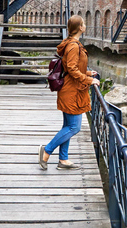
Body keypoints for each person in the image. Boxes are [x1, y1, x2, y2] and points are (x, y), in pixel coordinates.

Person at [39, 15, 99, 170]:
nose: (85, 25)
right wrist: (89, 80)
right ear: (80, 27)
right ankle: (47, 150)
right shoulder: (73, 46)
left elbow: (71, 66)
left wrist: (87, 72)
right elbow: (71, 69)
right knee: (74, 127)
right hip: (71, 91)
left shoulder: (72, 43)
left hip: (71, 90)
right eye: (84, 24)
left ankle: (63, 160)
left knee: (68, 125)